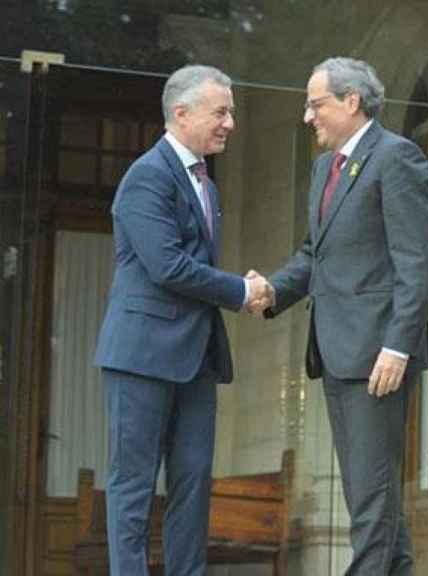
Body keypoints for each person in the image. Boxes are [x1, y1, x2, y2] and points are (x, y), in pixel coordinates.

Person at [255, 56, 428, 576]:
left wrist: (398, 346)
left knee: (370, 499)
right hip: (336, 352)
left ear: (351, 102)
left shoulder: (396, 158)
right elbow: (315, 254)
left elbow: (416, 263)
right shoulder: (324, 170)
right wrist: (271, 289)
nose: (309, 116)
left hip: (378, 355)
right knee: (369, 494)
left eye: (316, 105)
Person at [94, 64, 272, 575]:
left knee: (193, 484)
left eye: (231, 112)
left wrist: (243, 289)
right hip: (141, 356)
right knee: (133, 483)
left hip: (195, 357)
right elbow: (167, 266)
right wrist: (242, 290)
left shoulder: (208, 187)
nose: (230, 123)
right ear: (181, 113)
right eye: (221, 112)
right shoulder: (145, 176)